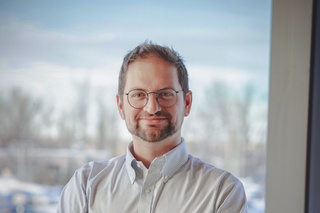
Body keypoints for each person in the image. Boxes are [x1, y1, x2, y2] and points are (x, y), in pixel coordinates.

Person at [57, 41, 248, 213]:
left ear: (187, 103)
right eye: (139, 94)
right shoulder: (86, 185)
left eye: (165, 94)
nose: (152, 107)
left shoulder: (222, 192)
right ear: (121, 106)